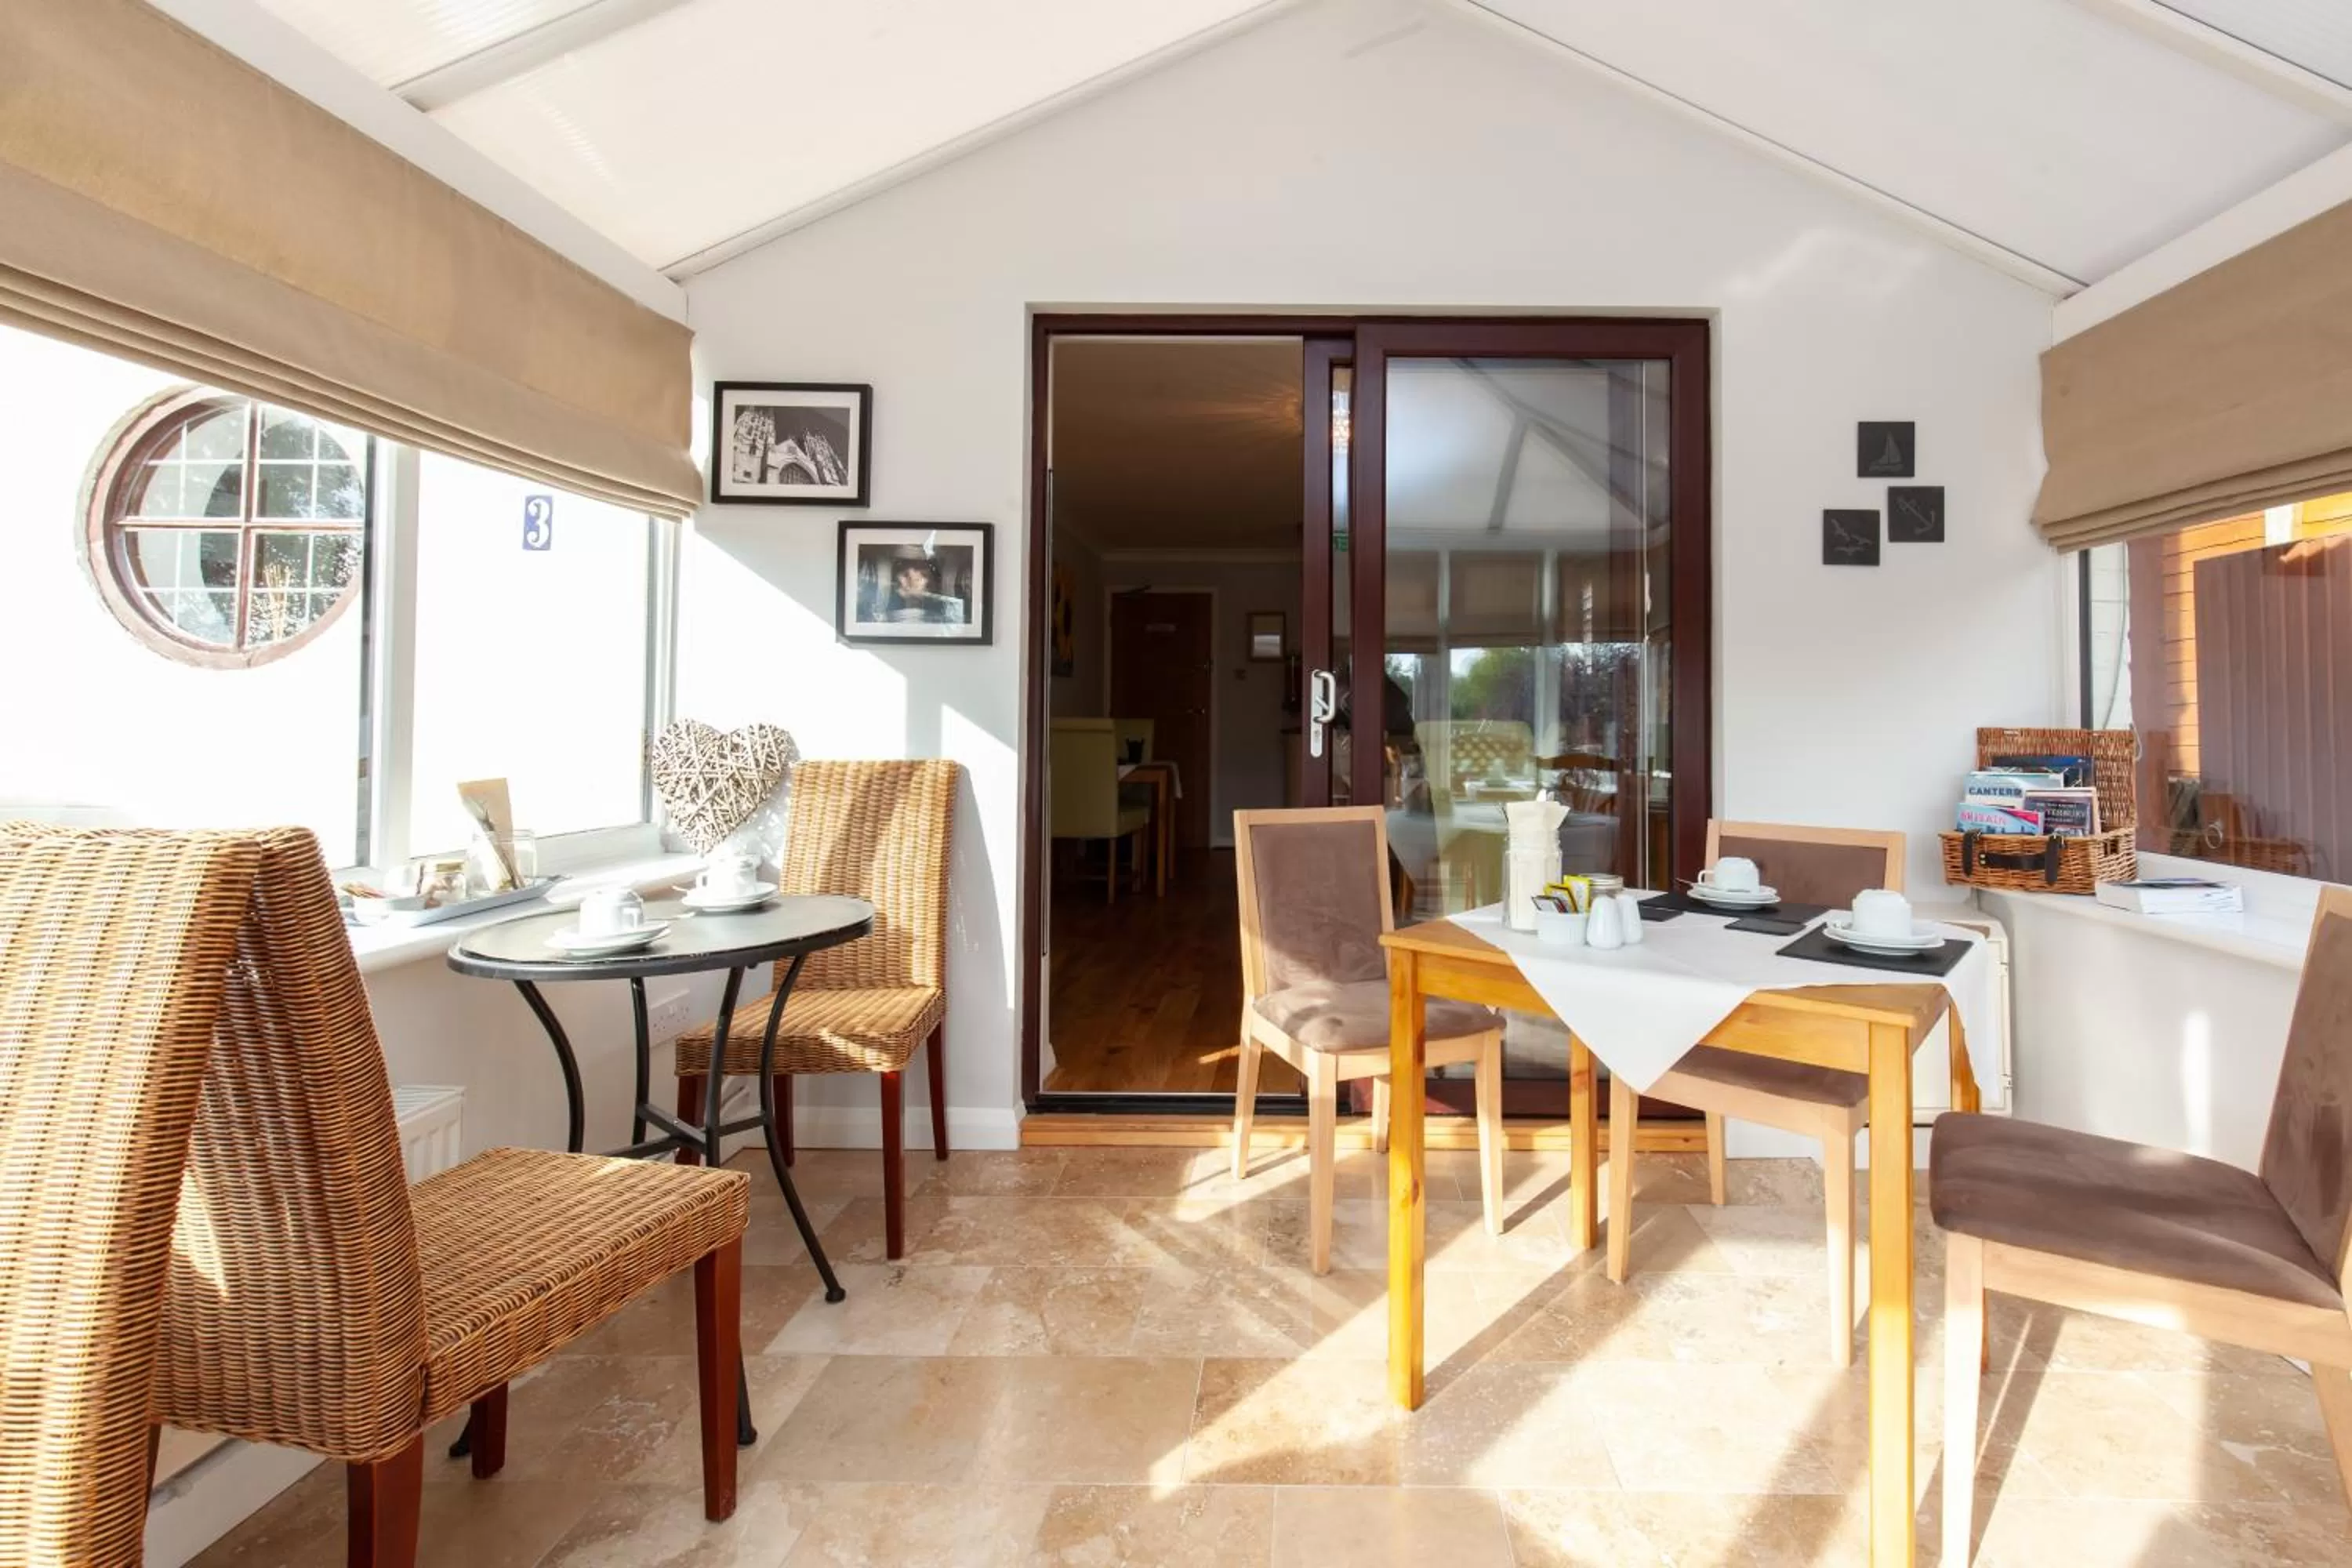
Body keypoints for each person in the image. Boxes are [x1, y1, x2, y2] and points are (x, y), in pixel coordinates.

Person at [878, 546, 964, 624]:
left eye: (924, 574)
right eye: (905, 574)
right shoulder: (884, 618)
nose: (915, 580)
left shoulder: (942, 619)